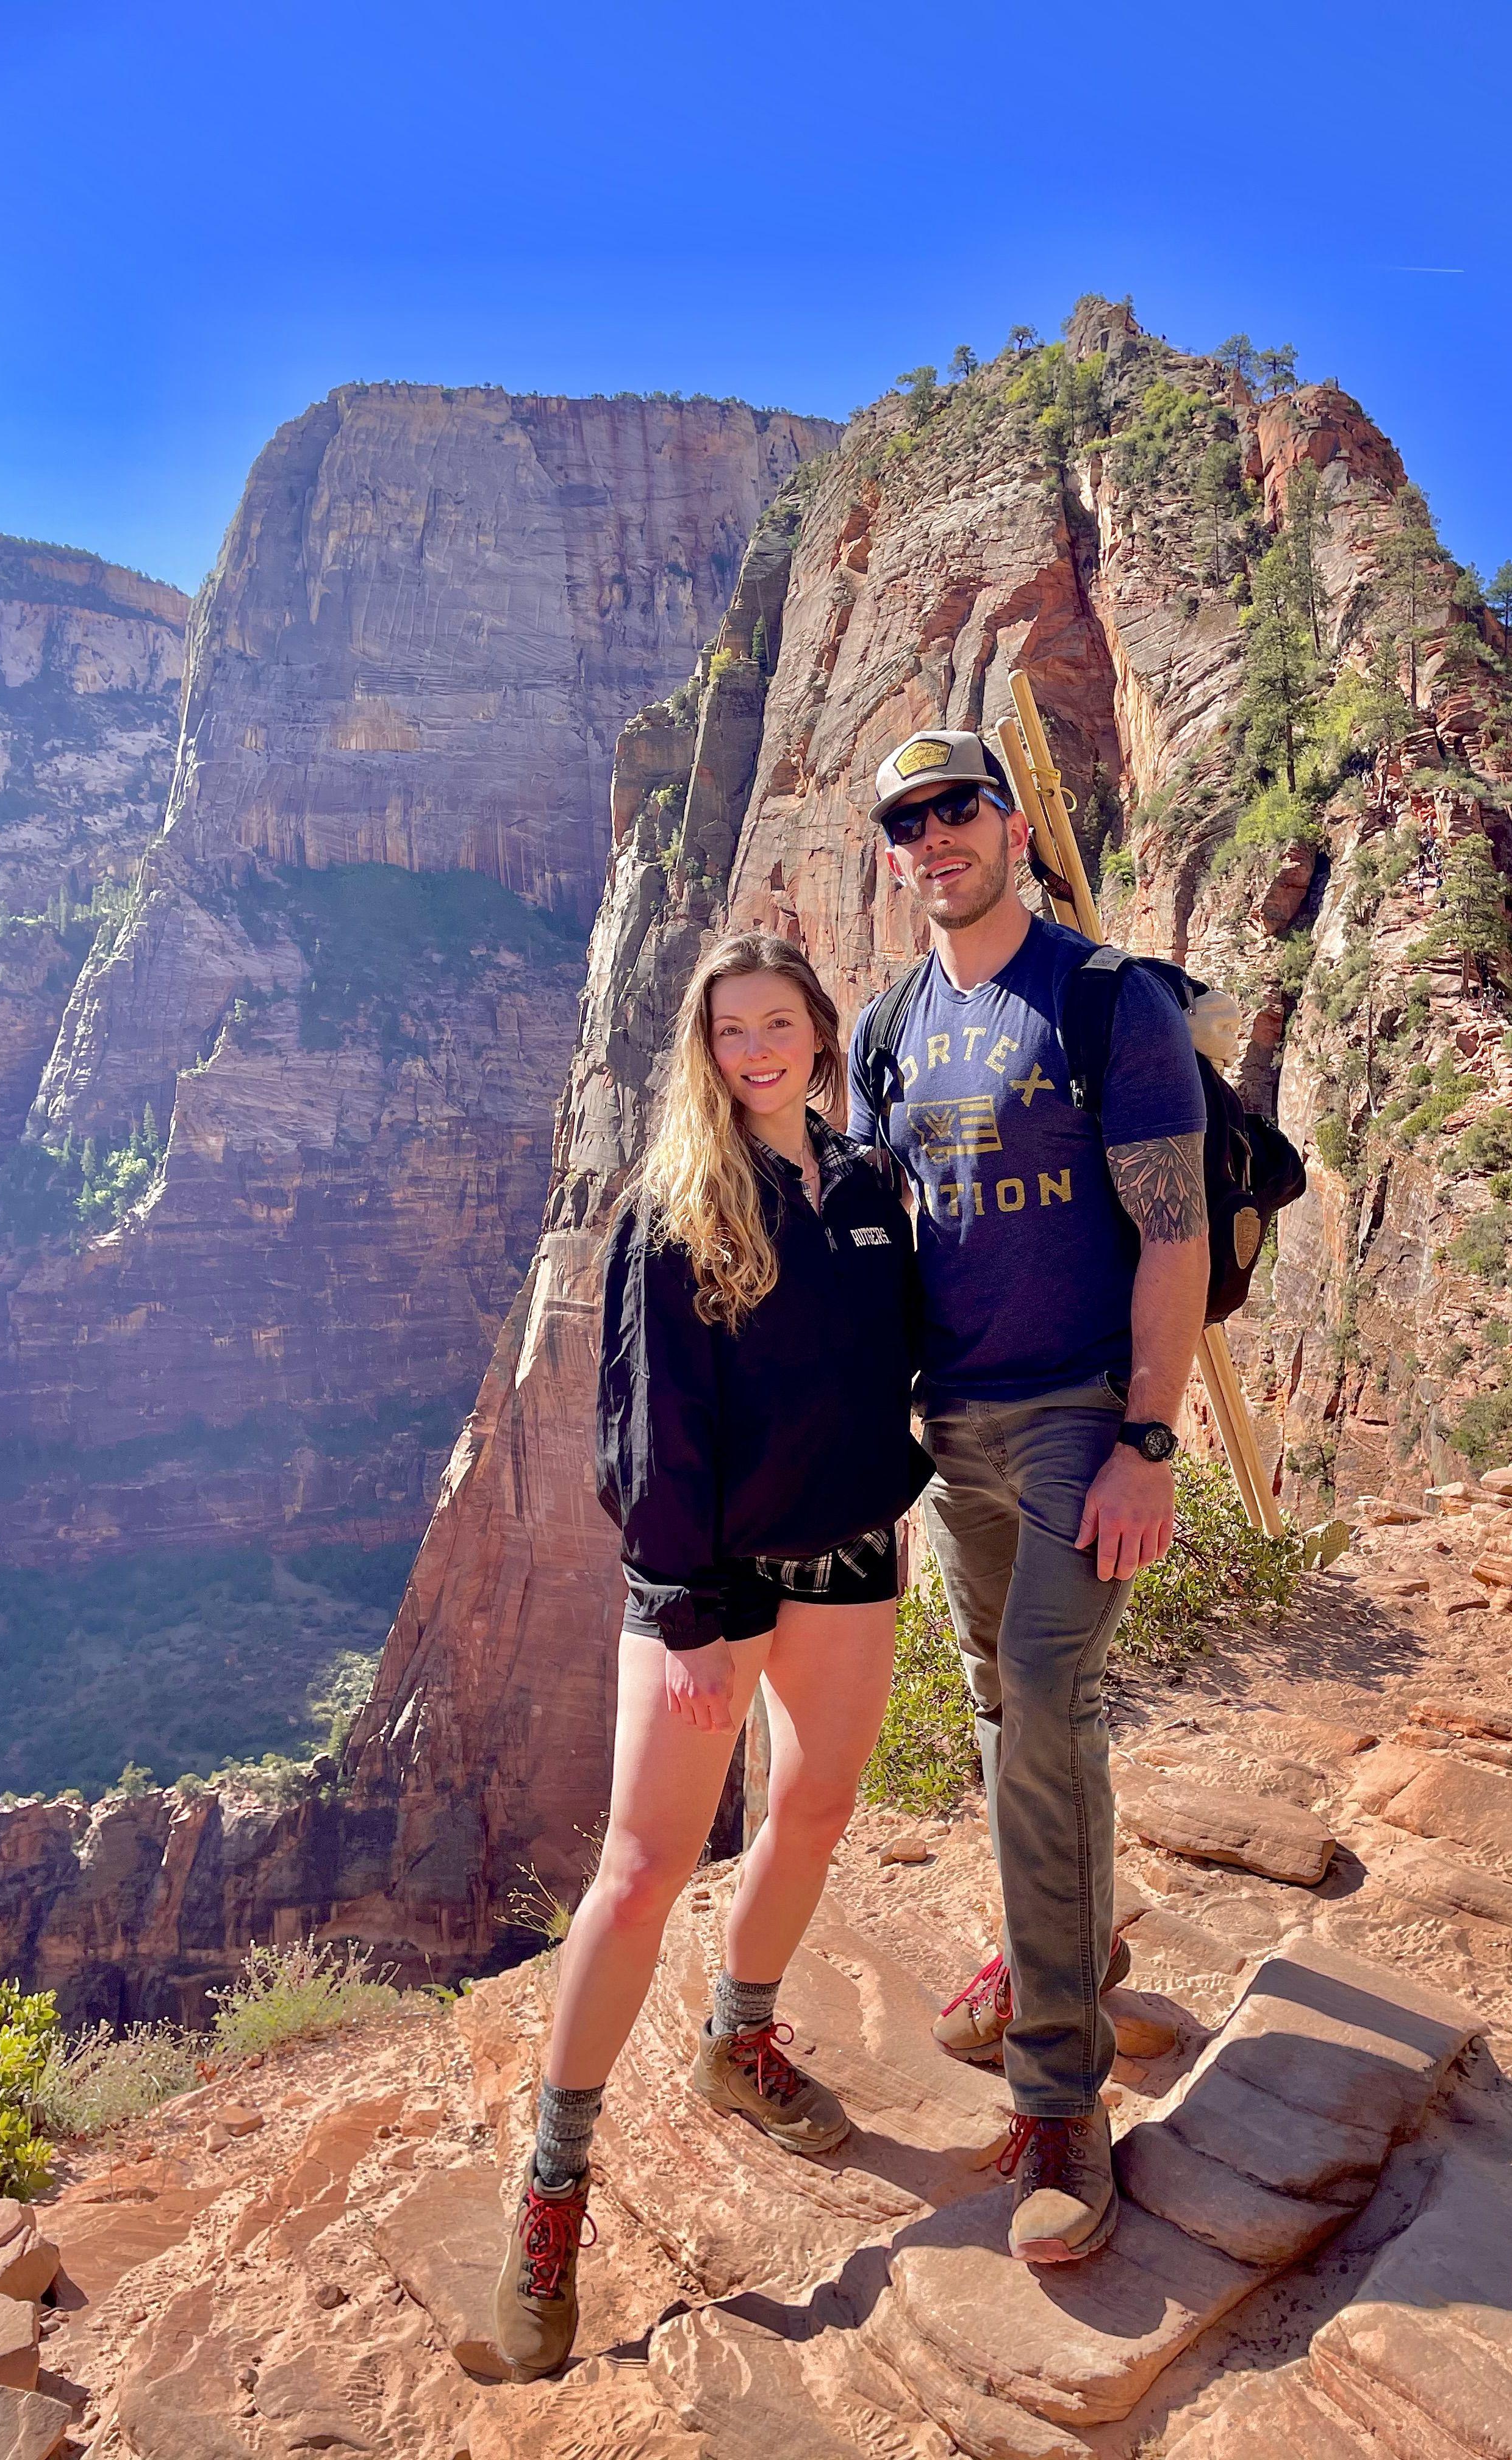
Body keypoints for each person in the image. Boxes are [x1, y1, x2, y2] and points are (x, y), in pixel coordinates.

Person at [493, 932, 929, 2382]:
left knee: (812, 1810)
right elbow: (649, 1421)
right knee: (642, 1868)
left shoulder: (869, 1187)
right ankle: (554, 2186)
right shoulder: (674, 1205)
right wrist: (681, 1604)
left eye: (779, 1022)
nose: (757, 1050)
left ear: (818, 1028)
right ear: (706, 1049)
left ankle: (736, 2044)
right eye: (730, 1030)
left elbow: (917, 1351)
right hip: (715, 1578)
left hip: (853, 1555)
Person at [847, 728, 1210, 2265]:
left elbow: (1176, 1236)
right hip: (949, 1439)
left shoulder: (1104, 1000)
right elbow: (866, 1249)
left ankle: (1061, 2101)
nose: (936, 838)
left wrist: (1151, 1442)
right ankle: (1064, 1942)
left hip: (1076, 1426)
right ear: (891, 852)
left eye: (958, 809)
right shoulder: (884, 1029)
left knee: (1046, 1703)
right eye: (907, 822)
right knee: (1010, 1715)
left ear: (1009, 823)